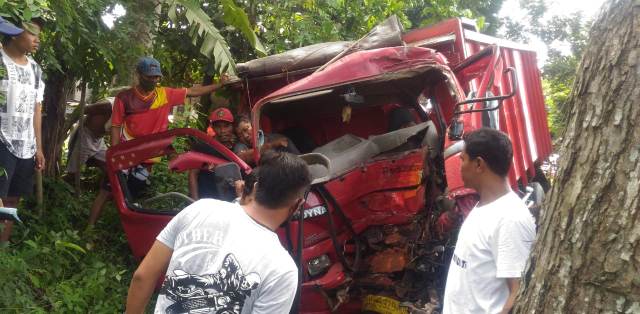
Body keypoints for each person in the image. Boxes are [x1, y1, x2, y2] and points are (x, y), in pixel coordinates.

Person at [126, 151, 311, 314]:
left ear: (254, 187)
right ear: (297, 205)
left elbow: (143, 276)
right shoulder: (283, 270)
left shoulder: (200, 209)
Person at [442, 128, 536, 314]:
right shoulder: (484, 207)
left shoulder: (510, 218)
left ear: (478, 164)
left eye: (462, 159)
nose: (459, 167)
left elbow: (520, 294)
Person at [111, 57, 227, 146]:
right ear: (139, 75)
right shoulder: (124, 98)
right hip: (127, 149)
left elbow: (192, 91)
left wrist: (219, 85)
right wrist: (114, 152)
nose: (153, 80)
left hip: (152, 152)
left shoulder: (165, 94)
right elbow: (115, 126)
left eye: (156, 77)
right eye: (149, 77)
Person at [0, 17, 45, 242]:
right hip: (2, 141)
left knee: (12, 200)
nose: (38, 40)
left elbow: (37, 110)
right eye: (33, 34)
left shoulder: (36, 70)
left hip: (26, 146)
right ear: (15, 33)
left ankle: (3, 247)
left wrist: (39, 147)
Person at [65, 99, 113, 227]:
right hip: (84, 135)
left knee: (111, 166)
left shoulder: (132, 112)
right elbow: (83, 110)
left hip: (98, 140)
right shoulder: (108, 105)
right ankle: (65, 198)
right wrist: (65, 128)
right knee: (72, 173)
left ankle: (102, 195)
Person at [188, 107, 237, 200]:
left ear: (233, 127)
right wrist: (194, 201)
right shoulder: (203, 147)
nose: (222, 130)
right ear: (213, 127)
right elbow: (193, 174)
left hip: (230, 203)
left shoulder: (238, 148)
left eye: (226, 126)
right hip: (207, 201)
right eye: (218, 126)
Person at [233, 114, 298, 165]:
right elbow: (241, 158)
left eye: (246, 129)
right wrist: (270, 146)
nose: (245, 136)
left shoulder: (278, 138)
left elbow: (298, 161)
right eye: (240, 135)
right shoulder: (240, 146)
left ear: (255, 125)